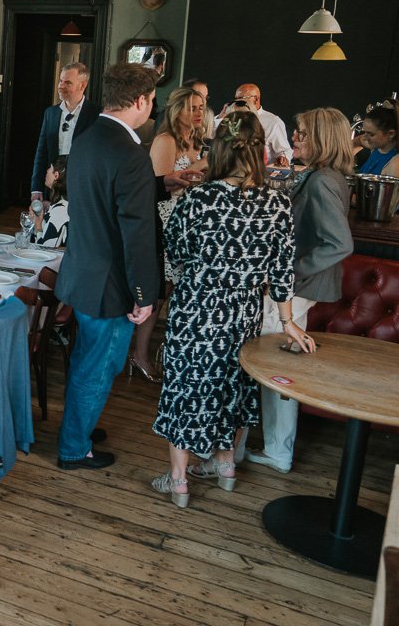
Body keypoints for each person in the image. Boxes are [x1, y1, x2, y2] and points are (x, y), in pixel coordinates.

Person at [151, 110, 316, 507]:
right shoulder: (277, 204)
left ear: (218, 150)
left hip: (196, 309)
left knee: (185, 389)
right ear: (259, 151)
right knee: (231, 388)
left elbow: (174, 255)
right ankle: (225, 467)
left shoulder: (196, 200)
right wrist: (289, 321)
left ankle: (179, 481)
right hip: (242, 313)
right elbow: (281, 270)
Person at [54, 63, 161, 470]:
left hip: (83, 268)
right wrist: (143, 294)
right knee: (99, 367)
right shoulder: (131, 153)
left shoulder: (87, 137)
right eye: (151, 99)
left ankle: (79, 427)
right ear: (140, 100)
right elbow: (136, 234)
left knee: (88, 359)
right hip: (110, 282)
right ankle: (73, 447)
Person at [248, 108, 354, 474]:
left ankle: (277, 450)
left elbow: (339, 244)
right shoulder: (323, 175)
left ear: (323, 139)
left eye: (303, 134)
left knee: (271, 366)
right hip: (300, 286)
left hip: (299, 286)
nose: (295, 137)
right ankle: (277, 448)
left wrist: (288, 273)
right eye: (297, 131)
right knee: (278, 365)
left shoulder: (323, 180)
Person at [129, 87, 209, 382]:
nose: (198, 113)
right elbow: (157, 187)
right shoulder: (166, 140)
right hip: (164, 222)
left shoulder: (196, 140)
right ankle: (139, 353)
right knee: (157, 290)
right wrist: (201, 167)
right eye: (192, 107)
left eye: (201, 107)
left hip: (187, 224)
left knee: (173, 293)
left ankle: (167, 352)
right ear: (177, 111)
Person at [31, 62, 100, 200]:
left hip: (82, 188)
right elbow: (41, 152)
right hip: (53, 187)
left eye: (68, 83)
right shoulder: (50, 113)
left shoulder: (96, 115)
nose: (61, 86)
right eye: (61, 81)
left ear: (82, 85)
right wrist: (36, 188)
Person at [217, 84, 292, 165]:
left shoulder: (273, 122)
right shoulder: (230, 116)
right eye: (236, 99)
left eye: (242, 99)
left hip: (261, 171)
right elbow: (212, 136)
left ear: (256, 99)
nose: (238, 102)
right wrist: (221, 117)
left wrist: (283, 157)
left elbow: (284, 150)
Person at [357, 98, 399, 180]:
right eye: (365, 132)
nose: (365, 137)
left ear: (391, 134)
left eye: (371, 134)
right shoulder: (377, 149)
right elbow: (358, 140)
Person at [32, 156, 69, 248]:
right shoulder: (65, 203)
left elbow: (45, 248)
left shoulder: (61, 209)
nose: (47, 171)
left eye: (50, 168)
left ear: (56, 175)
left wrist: (38, 225)